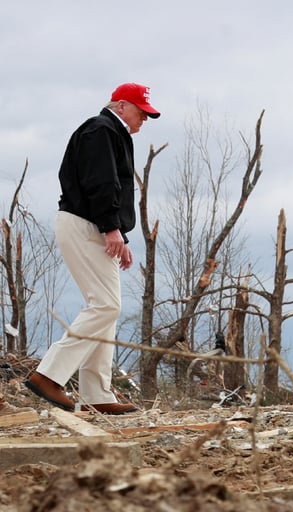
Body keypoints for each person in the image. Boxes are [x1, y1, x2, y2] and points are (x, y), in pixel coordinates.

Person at [24, 83, 160, 415]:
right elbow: (100, 181)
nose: (144, 118)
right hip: (84, 223)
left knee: (106, 309)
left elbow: (109, 185)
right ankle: (48, 375)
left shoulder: (111, 132)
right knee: (105, 306)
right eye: (142, 111)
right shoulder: (101, 130)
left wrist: (119, 235)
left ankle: (97, 393)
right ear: (123, 106)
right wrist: (110, 227)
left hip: (95, 224)